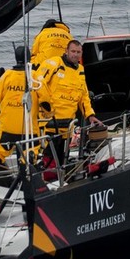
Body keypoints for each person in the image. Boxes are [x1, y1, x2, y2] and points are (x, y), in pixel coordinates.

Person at [35, 40, 104, 168]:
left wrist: (90, 115)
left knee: (62, 156)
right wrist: (45, 104)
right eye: (73, 51)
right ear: (66, 51)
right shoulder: (54, 63)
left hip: (68, 124)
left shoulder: (80, 71)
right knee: (49, 155)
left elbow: (84, 96)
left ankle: (59, 176)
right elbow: (37, 82)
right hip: (49, 121)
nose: (75, 55)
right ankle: (47, 176)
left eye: (78, 52)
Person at [0, 46, 39, 189]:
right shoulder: (35, 76)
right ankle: (26, 188)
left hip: (8, 128)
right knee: (28, 155)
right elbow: (47, 101)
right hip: (28, 128)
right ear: (29, 57)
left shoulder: (6, 76)